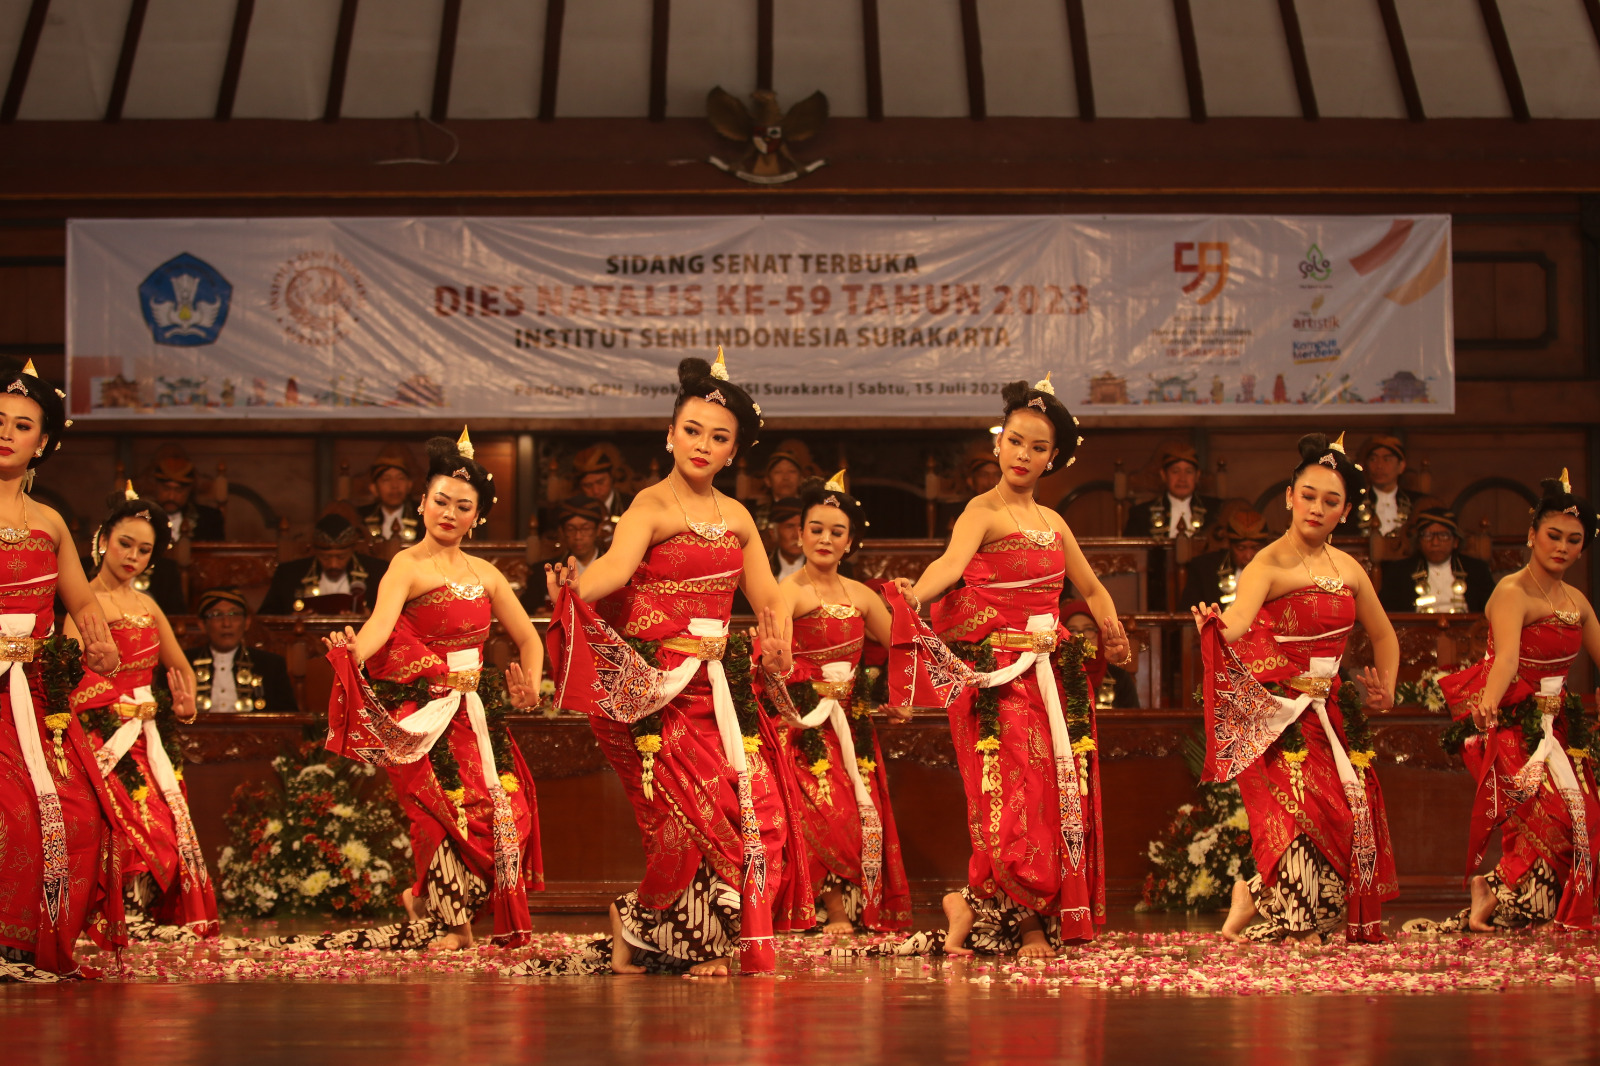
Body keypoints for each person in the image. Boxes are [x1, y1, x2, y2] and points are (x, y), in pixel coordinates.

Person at [537, 351, 813, 977]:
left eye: (719, 438)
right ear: (669, 434)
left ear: (733, 452)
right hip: (655, 693)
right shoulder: (649, 507)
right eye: (691, 431)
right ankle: (701, 943)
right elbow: (611, 571)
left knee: (758, 810)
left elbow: (770, 599)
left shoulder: (739, 517)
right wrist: (574, 591)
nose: (702, 445)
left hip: (716, 692)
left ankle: (639, 925)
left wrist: (781, 643)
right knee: (689, 819)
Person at [886, 373, 1130, 957]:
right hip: (998, 681)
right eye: (1015, 441)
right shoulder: (981, 510)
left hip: (1051, 682)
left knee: (1051, 794)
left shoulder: (1055, 523)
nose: (1023, 454)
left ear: (1054, 458)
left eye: (1038, 447)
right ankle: (1024, 921)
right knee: (1011, 795)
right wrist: (915, 598)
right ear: (998, 443)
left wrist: (1112, 629)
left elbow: (1092, 588)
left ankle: (971, 903)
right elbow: (949, 566)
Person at [315, 428, 544, 951]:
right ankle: (448, 919)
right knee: (435, 812)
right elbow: (378, 629)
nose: (449, 512)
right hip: (421, 715)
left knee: (508, 812)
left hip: (475, 713)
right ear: (421, 503)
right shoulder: (406, 565)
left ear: (477, 516)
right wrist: (350, 651)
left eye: (463, 506)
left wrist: (529, 684)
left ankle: (426, 899)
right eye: (440, 500)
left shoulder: (487, 574)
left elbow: (529, 638)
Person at [1192, 432, 1400, 945]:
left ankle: (1259, 901)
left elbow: (1383, 633)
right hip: (1280, 714)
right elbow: (1239, 622)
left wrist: (1387, 688)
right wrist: (1215, 627)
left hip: (1334, 714)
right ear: (1289, 497)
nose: (1316, 508)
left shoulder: (1349, 567)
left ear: (1345, 511)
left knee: (1349, 816)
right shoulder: (1267, 563)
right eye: (1308, 496)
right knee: (1303, 815)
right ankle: (1283, 907)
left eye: (1331, 501)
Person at [0, 359, 127, 981]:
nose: (4, 433)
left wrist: (97, 644)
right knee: (17, 814)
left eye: (20, 425)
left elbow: (81, 602)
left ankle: (30, 945)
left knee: (79, 813)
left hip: (33, 693)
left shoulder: (49, 522)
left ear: (42, 443)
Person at [1434, 470, 1600, 931]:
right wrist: (1487, 704)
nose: (1562, 547)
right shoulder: (1512, 591)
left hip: (1561, 726)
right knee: (1547, 816)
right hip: (1514, 723)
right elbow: (1505, 659)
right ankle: (1504, 894)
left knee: (1583, 815)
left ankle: (1499, 888)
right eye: (1553, 535)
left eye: (1574, 540)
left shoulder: (1578, 602)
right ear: (1532, 535)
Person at [760, 472, 913, 934]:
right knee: (823, 812)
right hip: (802, 726)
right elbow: (771, 662)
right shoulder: (787, 592)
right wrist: (788, 668)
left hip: (851, 726)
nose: (825, 538)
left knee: (858, 813)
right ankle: (833, 910)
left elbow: (906, 648)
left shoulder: (862, 596)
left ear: (851, 542)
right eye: (816, 529)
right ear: (800, 534)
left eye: (837, 531)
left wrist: (899, 697)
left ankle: (857, 908)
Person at [68, 490, 212, 941]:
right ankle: (115, 916)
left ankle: (146, 918)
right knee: (128, 829)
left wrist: (185, 707)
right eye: (125, 544)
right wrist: (112, 692)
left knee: (167, 829)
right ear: (103, 539)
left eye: (144, 550)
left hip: (150, 738)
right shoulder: (84, 603)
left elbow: (181, 670)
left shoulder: (149, 606)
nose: (133, 556)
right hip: (102, 738)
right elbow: (66, 675)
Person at [185, 587, 297, 713]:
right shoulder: (183, 664)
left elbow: (289, 719)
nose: (226, 623)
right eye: (217, 615)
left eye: (234, 614)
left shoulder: (271, 665)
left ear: (247, 622)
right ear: (202, 624)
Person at [259, 512, 388, 614]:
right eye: (325, 558)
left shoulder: (377, 572)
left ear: (352, 550)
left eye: (341, 557)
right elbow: (267, 618)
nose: (333, 564)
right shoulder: (289, 574)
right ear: (315, 551)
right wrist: (293, 619)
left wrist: (369, 617)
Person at [1378, 507, 1494, 614]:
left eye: (1443, 535)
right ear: (1418, 541)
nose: (1435, 543)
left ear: (1455, 541)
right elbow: (1387, 614)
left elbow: (1492, 611)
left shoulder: (1477, 570)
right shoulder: (1398, 572)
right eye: (1427, 535)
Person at [519, 496, 607, 614]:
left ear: (598, 529)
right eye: (571, 529)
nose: (578, 537)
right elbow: (526, 612)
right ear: (562, 531)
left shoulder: (614, 568)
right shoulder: (543, 572)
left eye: (585, 528)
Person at [1123, 441, 1222, 540]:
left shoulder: (1216, 511)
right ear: (1164, 475)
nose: (1182, 478)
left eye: (1189, 472)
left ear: (1197, 476)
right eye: (1175, 471)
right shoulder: (1142, 514)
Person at [1181, 508, 1272, 611]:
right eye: (1241, 548)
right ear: (1230, 545)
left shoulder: (1278, 569)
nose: (1248, 556)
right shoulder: (1205, 568)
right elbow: (1188, 613)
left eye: (1255, 548)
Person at [1063, 602, 1138, 710]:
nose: (1082, 636)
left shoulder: (1119, 678)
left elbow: (1134, 723)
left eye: (1088, 629)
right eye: (1072, 630)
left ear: (1099, 633)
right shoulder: (1053, 677)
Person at [149, 446, 226, 545]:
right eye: (166, 489)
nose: (171, 496)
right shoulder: (142, 516)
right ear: (156, 487)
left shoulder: (209, 519)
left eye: (179, 490)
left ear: (189, 490)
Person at [358, 443, 420, 557]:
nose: (395, 485)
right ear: (374, 488)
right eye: (386, 479)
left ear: (409, 485)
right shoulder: (360, 517)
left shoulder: (423, 516)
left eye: (400, 478)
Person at [1353, 435, 1415, 538]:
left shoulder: (1416, 503)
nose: (1379, 466)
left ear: (1401, 466)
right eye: (1373, 459)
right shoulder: (1355, 503)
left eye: (1387, 459)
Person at [572, 443, 634, 545]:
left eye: (600, 482)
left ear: (611, 477)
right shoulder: (573, 508)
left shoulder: (632, 504)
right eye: (588, 485)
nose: (596, 490)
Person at [767, 496, 805, 582]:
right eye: (789, 527)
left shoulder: (825, 569)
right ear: (773, 533)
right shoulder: (760, 568)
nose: (797, 535)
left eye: (801, 527)